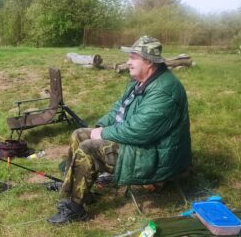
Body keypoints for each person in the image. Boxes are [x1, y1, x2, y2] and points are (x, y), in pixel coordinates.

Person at [48, 36, 192, 224]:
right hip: (141, 144)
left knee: (89, 148)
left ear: (148, 61)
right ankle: (75, 187)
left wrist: (103, 134)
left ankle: (74, 209)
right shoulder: (139, 82)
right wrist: (99, 127)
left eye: (133, 58)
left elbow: (140, 131)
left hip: (154, 155)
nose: (128, 62)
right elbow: (118, 110)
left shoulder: (164, 91)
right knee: (79, 134)